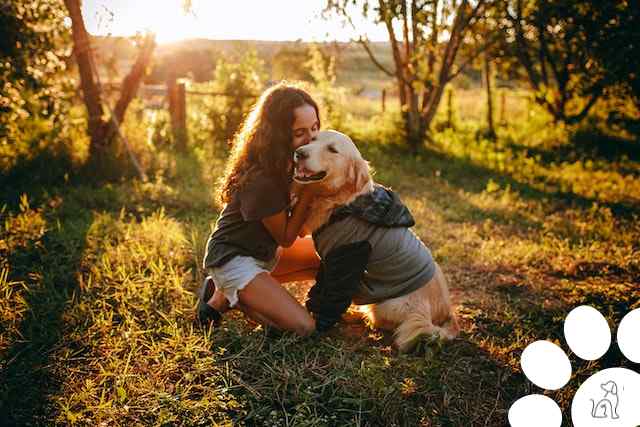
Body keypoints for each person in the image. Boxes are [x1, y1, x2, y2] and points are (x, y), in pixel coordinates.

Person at [197, 82, 321, 336]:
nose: (311, 140)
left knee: (326, 256)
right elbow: (286, 237)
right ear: (278, 134)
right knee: (304, 328)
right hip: (233, 259)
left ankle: (225, 294)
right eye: (300, 133)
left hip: (263, 253)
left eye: (315, 128)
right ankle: (228, 295)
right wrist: (308, 190)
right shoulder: (263, 180)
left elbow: (302, 231)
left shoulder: (291, 163)